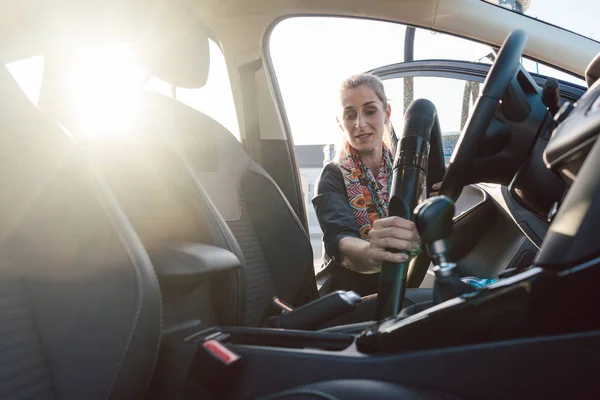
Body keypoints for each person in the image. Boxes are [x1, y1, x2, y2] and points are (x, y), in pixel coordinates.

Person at [312, 73, 441, 296]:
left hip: (399, 284)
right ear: (340, 123)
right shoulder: (332, 175)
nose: (359, 124)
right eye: (350, 115)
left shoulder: (406, 167)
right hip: (347, 296)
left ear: (386, 113)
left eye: (370, 111)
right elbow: (339, 240)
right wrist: (373, 252)